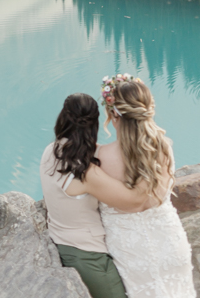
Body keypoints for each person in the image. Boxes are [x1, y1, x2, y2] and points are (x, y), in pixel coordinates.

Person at [94, 74, 196, 298]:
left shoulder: (100, 156)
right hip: (170, 241)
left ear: (113, 114)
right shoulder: (164, 147)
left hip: (129, 249)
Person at [40, 92, 150, 298]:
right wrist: (149, 173)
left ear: (63, 117)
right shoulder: (87, 172)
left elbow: (91, 150)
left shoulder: (51, 151)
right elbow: (135, 201)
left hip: (62, 243)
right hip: (89, 256)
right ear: (94, 123)